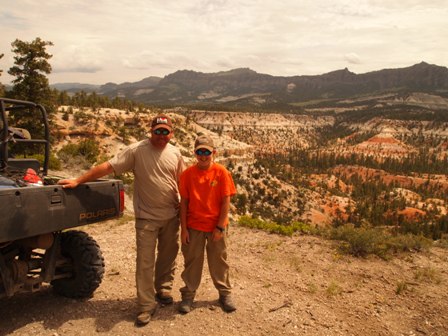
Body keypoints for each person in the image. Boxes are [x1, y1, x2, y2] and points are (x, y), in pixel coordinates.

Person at [58, 114, 185, 327]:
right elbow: (108, 167)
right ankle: (146, 306)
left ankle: (163, 288)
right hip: (146, 217)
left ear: (171, 133)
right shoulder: (137, 151)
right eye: (158, 131)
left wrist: (186, 209)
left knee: (168, 255)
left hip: (171, 215)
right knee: (144, 262)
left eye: (165, 131)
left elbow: (183, 181)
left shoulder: (175, 152)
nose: (161, 135)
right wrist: (78, 180)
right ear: (151, 131)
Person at [178, 133, 237, 314]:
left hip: (215, 226)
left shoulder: (221, 172)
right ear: (195, 153)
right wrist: (183, 229)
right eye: (199, 152)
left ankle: (224, 293)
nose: (203, 155)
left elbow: (226, 201)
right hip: (194, 225)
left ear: (214, 153)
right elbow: (184, 203)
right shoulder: (188, 174)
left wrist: (220, 226)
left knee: (219, 260)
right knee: (192, 261)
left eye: (207, 152)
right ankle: (188, 295)